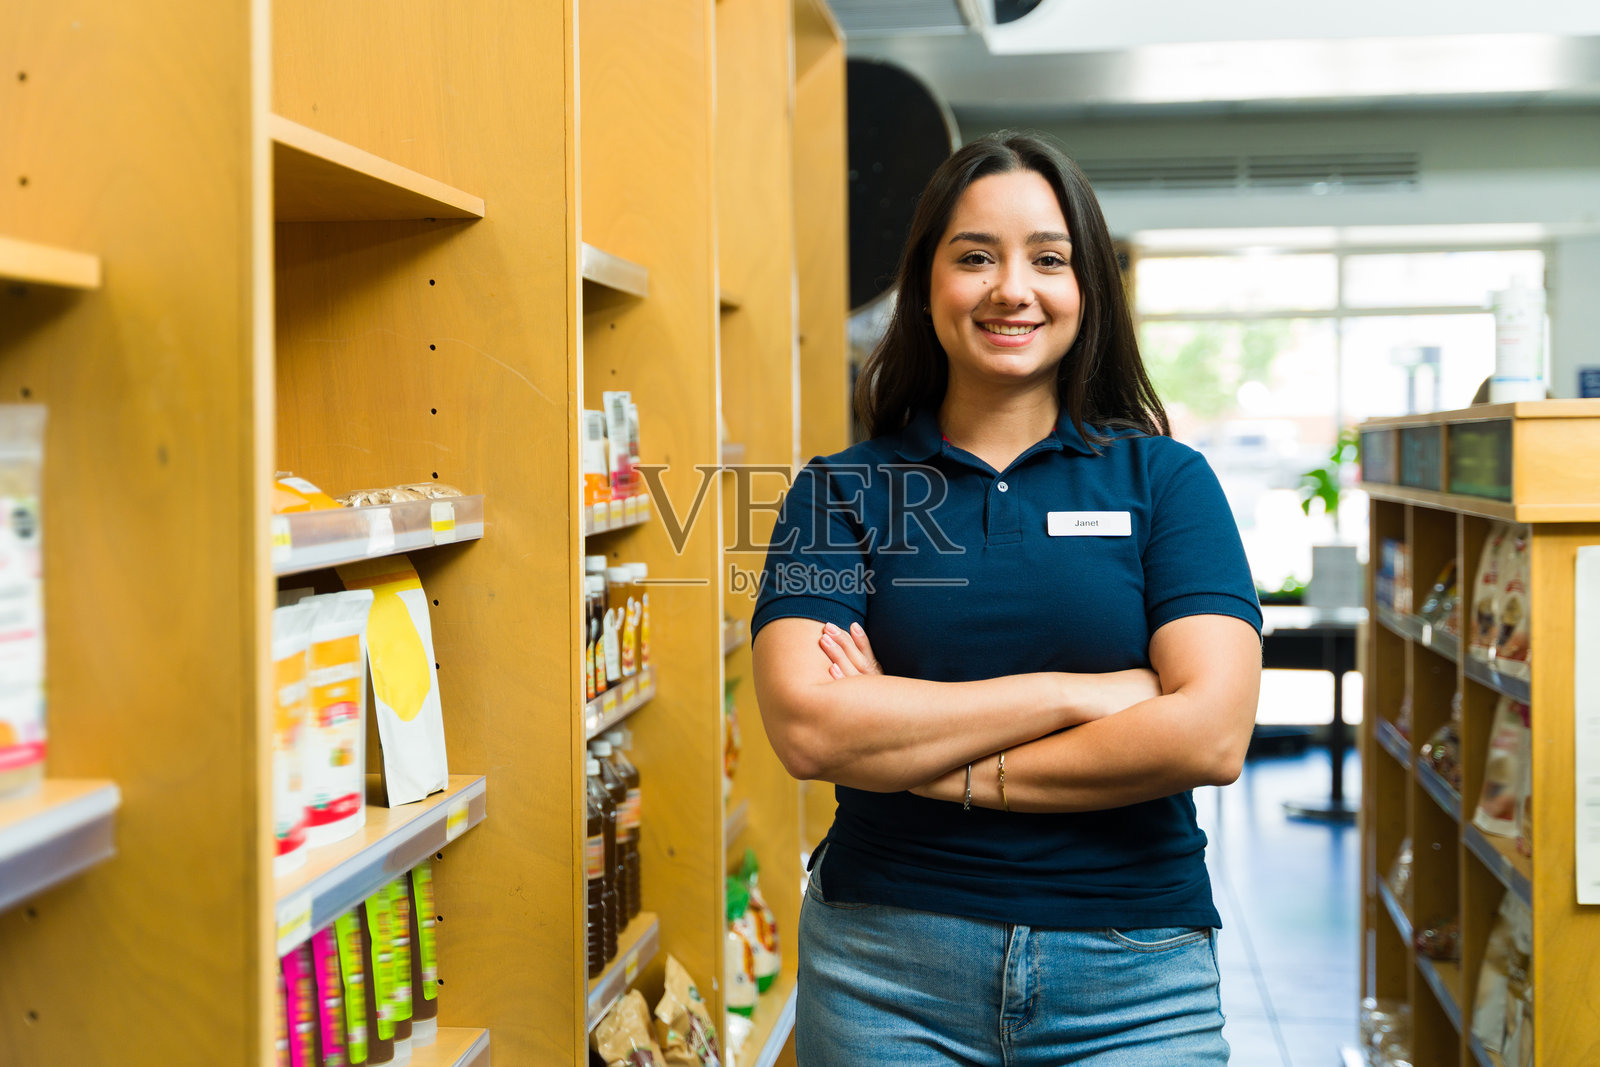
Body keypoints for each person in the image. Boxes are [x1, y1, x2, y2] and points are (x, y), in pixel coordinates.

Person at [749, 131, 1264, 1065]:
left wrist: (927, 759)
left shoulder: (1166, 482)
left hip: (1133, 975)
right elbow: (811, 731)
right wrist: (1083, 691)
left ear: (1086, 288)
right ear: (928, 282)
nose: (1010, 288)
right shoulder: (838, 494)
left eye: (1049, 258)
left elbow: (1210, 735)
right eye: (975, 256)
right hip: (882, 970)